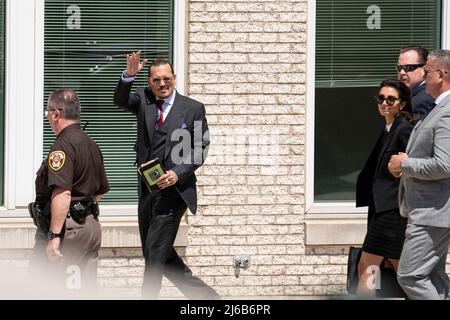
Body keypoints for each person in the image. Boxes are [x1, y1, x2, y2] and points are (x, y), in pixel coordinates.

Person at [113, 51, 219, 299]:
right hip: (148, 190)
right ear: (149, 82)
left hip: (175, 191)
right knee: (158, 253)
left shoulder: (193, 108)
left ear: (174, 78)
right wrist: (128, 76)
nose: (162, 84)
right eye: (156, 80)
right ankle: (206, 298)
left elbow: (200, 148)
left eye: (166, 79)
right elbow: (120, 100)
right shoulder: (143, 100)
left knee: (154, 251)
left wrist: (177, 173)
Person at [29, 89, 109, 298]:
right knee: (84, 291)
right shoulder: (91, 144)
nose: (47, 118)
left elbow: (63, 192)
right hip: (90, 227)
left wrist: (55, 235)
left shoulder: (62, 146)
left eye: (47, 113)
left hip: (67, 230)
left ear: (57, 114)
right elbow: (100, 191)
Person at [389, 49, 450, 300]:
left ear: (441, 74)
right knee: (434, 277)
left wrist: (406, 164)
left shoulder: (446, 112)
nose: (423, 78)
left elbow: (445, 165)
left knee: (410, 275)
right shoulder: (439, 107)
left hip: (431, 213)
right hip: (428, 211)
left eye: (426, 72)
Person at [355, 80, 416, 298]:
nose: (384, 103)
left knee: (369, 267)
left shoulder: (403, 128)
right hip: (384, 209)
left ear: (402, 103)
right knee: (398, 272)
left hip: (391, 211)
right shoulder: (390, 127)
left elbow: (416, 164)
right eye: (381, 98)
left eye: (391, 99)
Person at [397, 45, 435, 119]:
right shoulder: (411, 94)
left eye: (408, 67)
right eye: (399, 67)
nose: (402, 72)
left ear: (424, 69)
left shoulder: (423, 99)